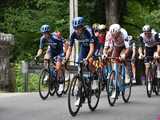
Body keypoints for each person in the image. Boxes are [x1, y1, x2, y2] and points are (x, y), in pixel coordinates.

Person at [64, 17, 95, 106]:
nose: (77, 30)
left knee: (89, 62)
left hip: (93, 46)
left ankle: (95, 80)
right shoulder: (73, 34)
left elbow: (92, 49)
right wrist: (66, 59)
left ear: (82, 27)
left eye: (79, 28)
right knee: (79, 67)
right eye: (75, 28)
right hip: (84, 48)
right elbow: (70, 49)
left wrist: (87, 59)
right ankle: (80, 95)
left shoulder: (88, 32)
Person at [104, 24, 132, 98]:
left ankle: (127, 74)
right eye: (113, 35)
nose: (114, 37)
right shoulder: (108, 35)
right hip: (116, 47)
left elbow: (128, 48)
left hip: (125, 47)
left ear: (119, 33)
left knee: (124, 58)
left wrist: (124, 55)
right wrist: (104, 54)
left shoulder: (124, 33)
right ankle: (117, 87)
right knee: (113, 61)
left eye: (116, 35)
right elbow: (106, 47)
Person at [35, 24, 64, 93]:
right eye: (43, 33)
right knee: (45, 59)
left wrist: (64, 55)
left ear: (49, 32)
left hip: (60, 51)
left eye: (46, 33)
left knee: (57, 68)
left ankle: (61, 83)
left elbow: (64, 44)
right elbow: (40, 49)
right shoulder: (42, 38)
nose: (45, 35)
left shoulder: (55, 36)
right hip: (52, 50)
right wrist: (37, 55)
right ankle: (48, 73)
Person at [138, 25, 160, 91]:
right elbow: (140, 47)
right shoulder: (141, 36)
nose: (147, 34)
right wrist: (141, 54)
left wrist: (157, 53)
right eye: (145, 33)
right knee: (147, 65)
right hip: (148, 48)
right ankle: (149, 81)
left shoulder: (155, 35)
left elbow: (159, 46)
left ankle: (158, 71)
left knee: (157, 59)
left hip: (156, 47)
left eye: (148, 33)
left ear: (151, 32)